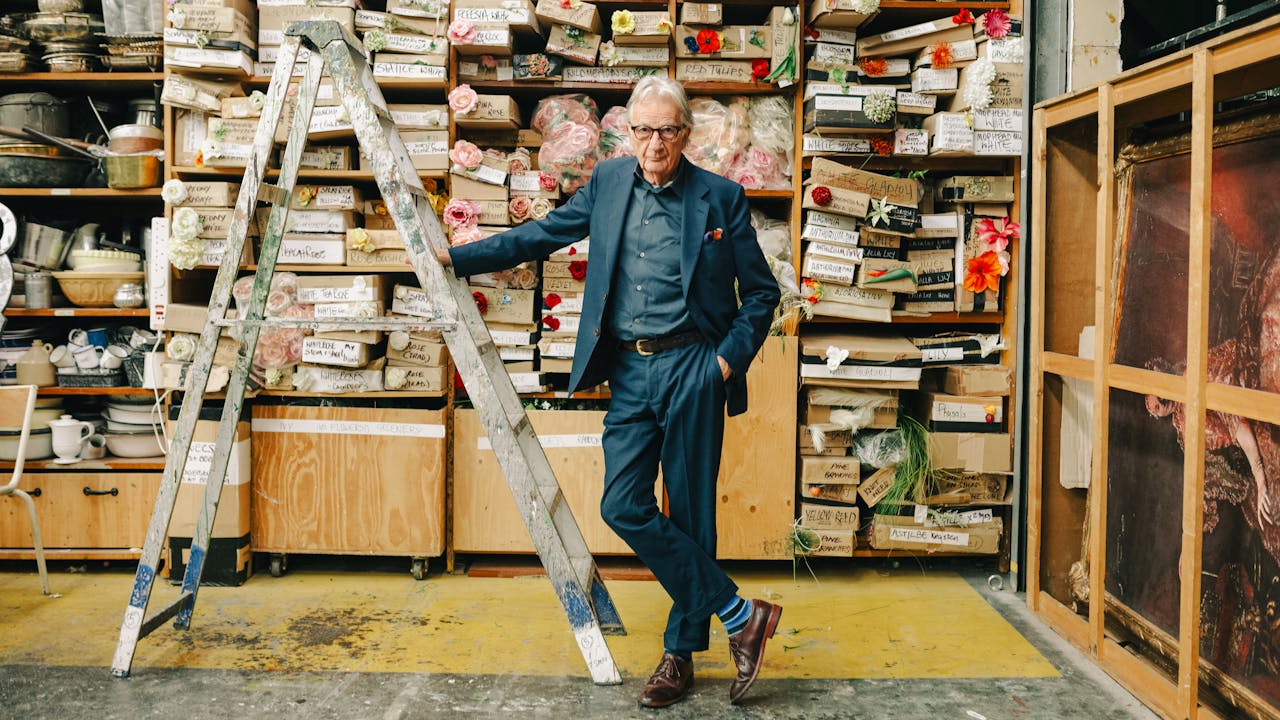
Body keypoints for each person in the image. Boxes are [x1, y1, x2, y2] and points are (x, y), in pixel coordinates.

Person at [436, 76, 783, 707]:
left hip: (693, 368)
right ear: (629, 133)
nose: (655, 144)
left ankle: (678, 656)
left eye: (667, 131)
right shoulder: (609, 182)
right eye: (644, 130)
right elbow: (542, 234)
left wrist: (725, 365)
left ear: (686, 134)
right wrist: (456, 257)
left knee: (691, 514)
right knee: (622, 505)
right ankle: (739, 616)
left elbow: (761, 295)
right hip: (629, 371)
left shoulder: (721, 198)